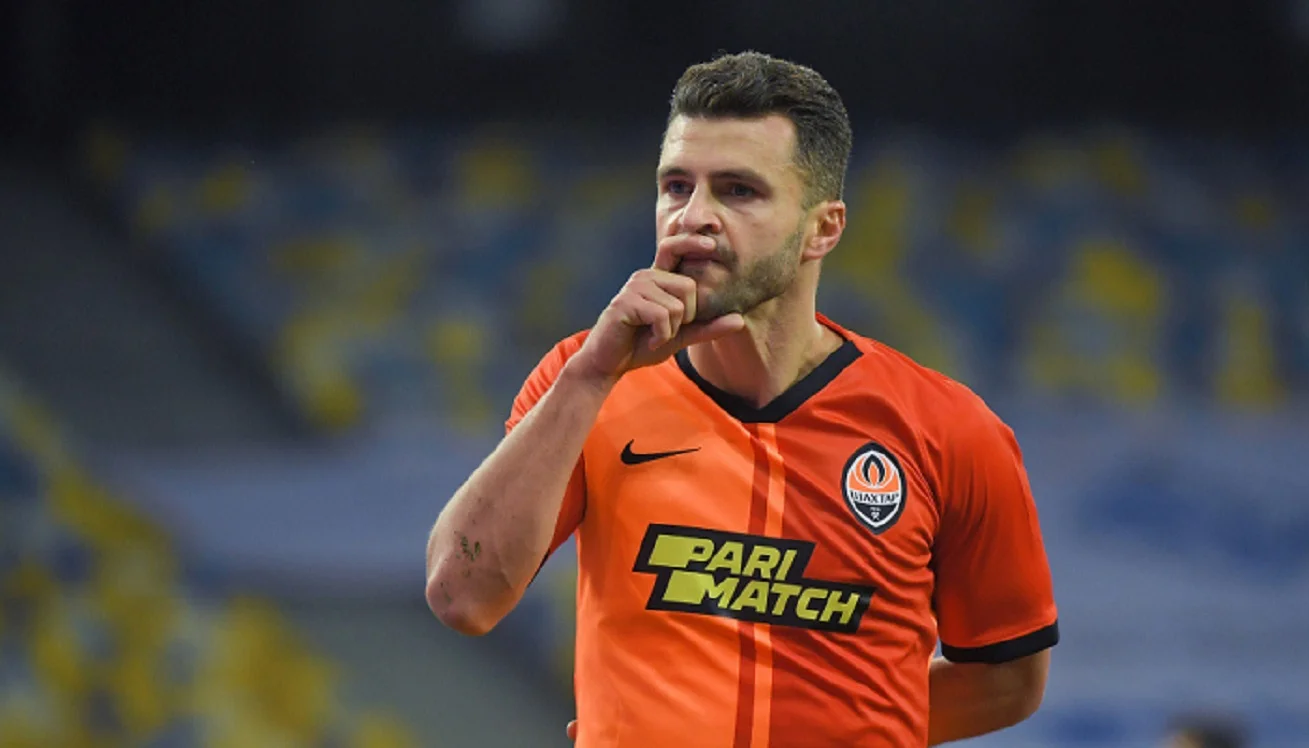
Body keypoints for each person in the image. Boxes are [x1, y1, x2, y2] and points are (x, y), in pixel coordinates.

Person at [425, 50, 1058, 747]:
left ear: (823, 228)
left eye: (738, 191)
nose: (693, 216)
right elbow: (463, 597)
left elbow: (1007, 679)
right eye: (676, 186)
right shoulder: (583, 381)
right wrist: (589, 378)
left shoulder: (949, 428)